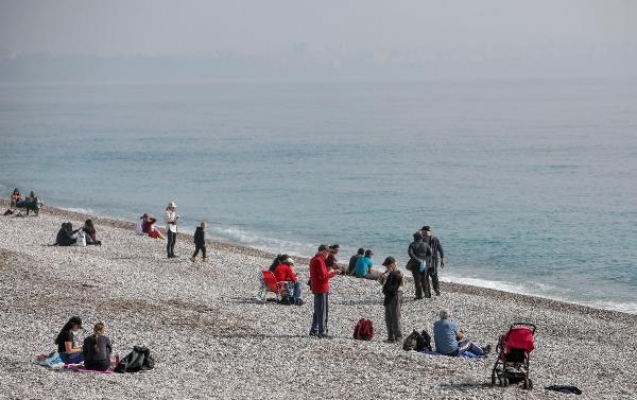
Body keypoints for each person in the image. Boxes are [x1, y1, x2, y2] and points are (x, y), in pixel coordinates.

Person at [309, 244, 340, 338]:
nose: (328, 255)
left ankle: (314, 329)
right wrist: (334, 273)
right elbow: (322, 277)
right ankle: (321, 331)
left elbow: (321, 274)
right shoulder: (319, 261)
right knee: (322, 310)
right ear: (323, 251)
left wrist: (328, 272)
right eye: (327, 253)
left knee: (317, 310)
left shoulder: (314, 259)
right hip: (321, 288)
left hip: (317, 287)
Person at [381, 256, 403, 343]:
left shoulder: (398, 273)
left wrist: (385, 286)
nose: (387, 267)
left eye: (388, 266)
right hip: (389, 296)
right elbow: (386, 285)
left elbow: (393, 287)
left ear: (393, 264)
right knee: (388, 317)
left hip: (395, 296)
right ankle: (390, 337)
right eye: (386, 266)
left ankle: (398, 337)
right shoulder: (390, 273)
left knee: (395, 317)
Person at [421, 226, 446, 297]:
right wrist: (442, 259)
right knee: (434, 276)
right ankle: (437, 291)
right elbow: (440, 249)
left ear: (425, 231)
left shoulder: (421, 240)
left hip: (425, 261)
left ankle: (427, 293)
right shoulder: (435, 239)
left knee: (425, 277)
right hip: (434, 261)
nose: (421, 233)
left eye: (422, 231)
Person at [407, 231, 432, 299]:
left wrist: (418, 260)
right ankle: (427, 294)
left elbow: (410, 254)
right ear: (421, 237)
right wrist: (424, 260)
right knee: (424, 279)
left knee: (417, 281)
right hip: (424, 265)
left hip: (415, 265)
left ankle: (419, 296)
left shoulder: (412, 245)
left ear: (415, 238)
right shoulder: (426, 245)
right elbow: (430, 254)